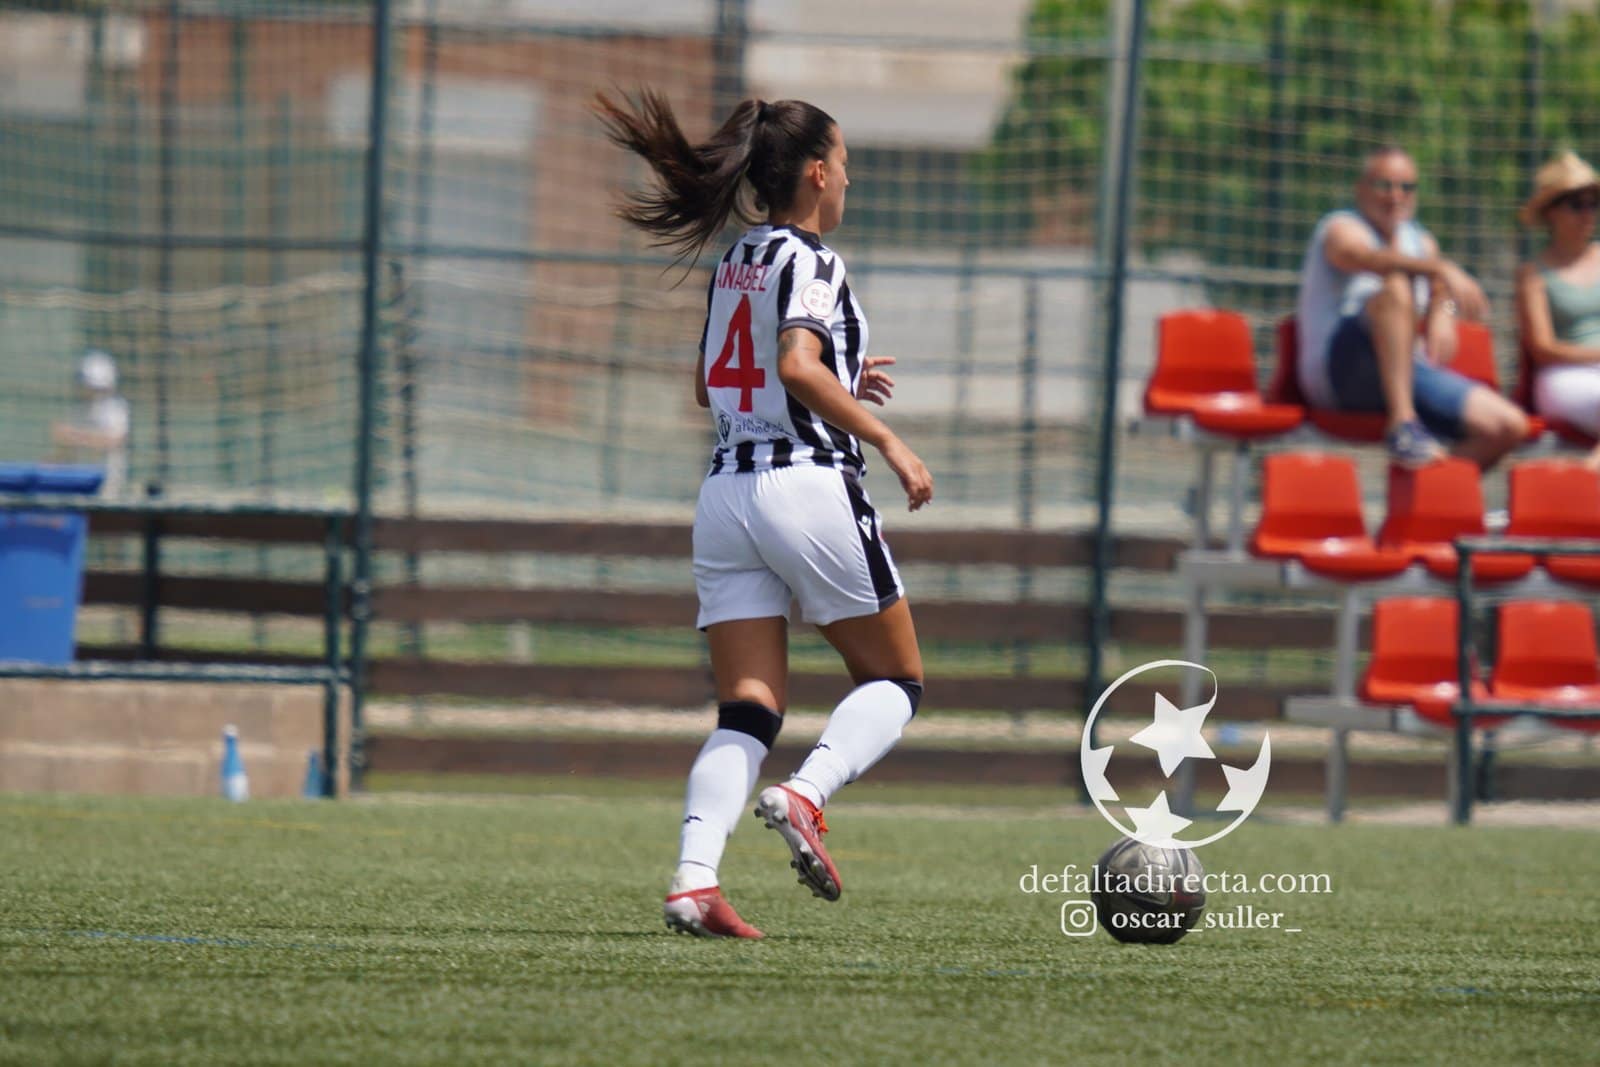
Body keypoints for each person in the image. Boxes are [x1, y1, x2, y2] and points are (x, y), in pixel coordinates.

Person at [595, 90, 933, 939]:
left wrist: (836, 382)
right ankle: (806, 794)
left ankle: (692, 881)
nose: (850, 177)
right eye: (845, 160)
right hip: (805, 486)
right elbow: (794, 363)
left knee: (748, 709)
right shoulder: (814, 259)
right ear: (816, 172)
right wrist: (886, 439)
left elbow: (711, 385)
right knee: (896, 682)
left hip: (724, 496)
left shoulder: (738, 259)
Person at [1296, 145, 1527, 468]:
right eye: (1383, 185)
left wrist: (1442, 313)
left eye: (1406, 187)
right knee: (1396, 287)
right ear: (1360, 189)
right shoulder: (1340, 227)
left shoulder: (1422, 242)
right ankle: (1403, 424)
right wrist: (1439, 269)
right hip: (1341, 373)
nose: (1395, 196)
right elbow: (1361, 257)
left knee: (1507, 427)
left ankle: (1426, 505)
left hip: (1404, 370)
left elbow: (1439, 292)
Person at [1514, 151, 1600, 473]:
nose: (1588, 213)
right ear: (1550, 213)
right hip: (1562, 378)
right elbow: (1543, 349)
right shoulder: (1533, 274)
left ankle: (1590, 476)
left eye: (1593, 203)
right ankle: (1590, 484)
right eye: (1576, 204)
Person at [50, 350, 129, 497]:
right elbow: (68, 451)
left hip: (106, 484)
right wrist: (53, 463)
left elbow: (114, 441)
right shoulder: (78, 410)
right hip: (79, 481)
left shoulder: (115, 408)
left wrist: (74, 436)